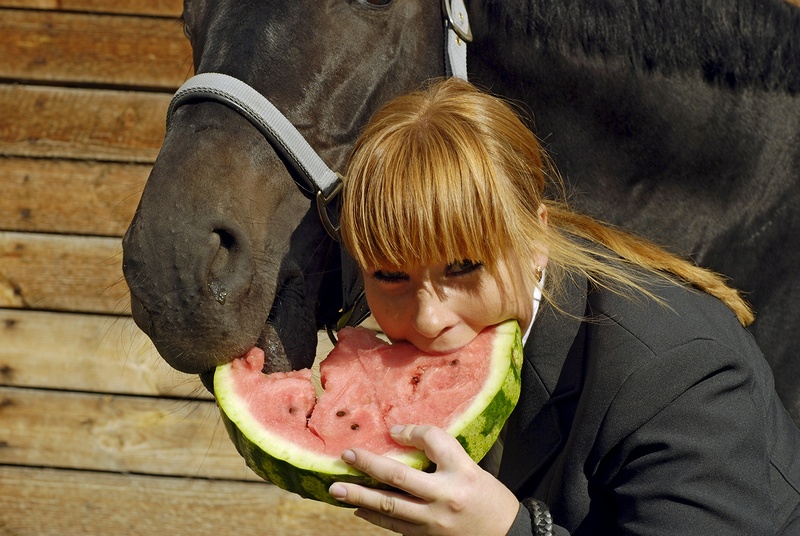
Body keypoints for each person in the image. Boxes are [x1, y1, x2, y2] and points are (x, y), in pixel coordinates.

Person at [327, 78, 800, 535]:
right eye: (390, 276)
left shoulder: (673, 372)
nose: (428, 319)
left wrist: (506, 532)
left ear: (535, 240)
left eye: (463, 267)